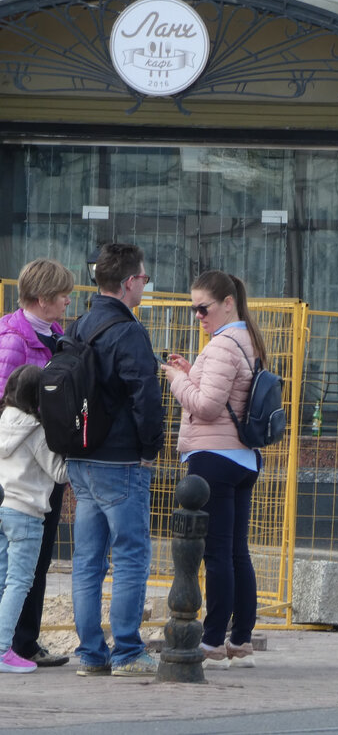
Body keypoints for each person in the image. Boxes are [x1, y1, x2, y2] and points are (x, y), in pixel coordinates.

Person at [65, 242, 164, 677]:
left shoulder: (78, 325)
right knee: (130, 556)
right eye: (143, 278)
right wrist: (149, 449)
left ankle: (90, 653)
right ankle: (126, 651)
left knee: (87, 560)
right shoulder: (129, 332)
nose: (144, 285)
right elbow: (146, 394)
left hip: (80, 457)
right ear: (128, 282)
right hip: (121, 460)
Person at [161, 270, 264, 670]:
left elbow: (205, 407)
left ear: (227, 303)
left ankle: (212, 639)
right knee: (237, 551)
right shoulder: (247, 339)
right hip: (241, 456)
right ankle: (240, 638)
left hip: (214, 458)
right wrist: (191, 373)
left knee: (217, 553)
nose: (198, 316)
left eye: (203, 308)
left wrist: (175, 381)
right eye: (194, 309)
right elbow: (224, 397)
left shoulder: (223, 345)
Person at [0, 258, 74, 668]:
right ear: (43, 299)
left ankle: (23, 641)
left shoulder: (55, 333)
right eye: (62, 294)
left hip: (43, 459)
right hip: (26, 468)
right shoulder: (14, 338)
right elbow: (7, 398)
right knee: (21, 565)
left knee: (36, 560)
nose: (67, 300)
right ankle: (15, 644)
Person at [0, 365, 69, 673]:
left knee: (3, 579)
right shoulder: (35, 430)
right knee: (20, 582)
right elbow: (59, 473)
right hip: (26, 513)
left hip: (3, 506)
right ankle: (3, 648)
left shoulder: (4, 420)